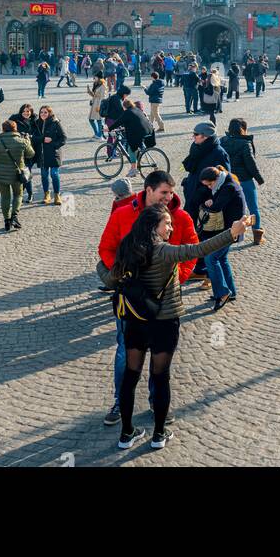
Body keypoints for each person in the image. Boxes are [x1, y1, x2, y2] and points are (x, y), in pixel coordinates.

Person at [102, 204, 251, 449]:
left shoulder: (129, 247)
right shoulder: (163, 252)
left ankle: (126, 434)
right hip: (164, 322)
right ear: (153, 226)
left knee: (131, 376)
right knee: (160, 377)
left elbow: (108, 278)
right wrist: (232, 232)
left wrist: (101, 267)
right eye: (167, 224)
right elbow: (200, 249)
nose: (171, 228)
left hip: (135, 321)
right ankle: (159, 435)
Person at [97, 169, 198, 428]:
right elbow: (106, 248)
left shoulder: (181, 218)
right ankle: (121, 400)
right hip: (131, 302)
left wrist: (179, 278)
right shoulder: (122, 214)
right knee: (124, 353)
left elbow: (192, 250)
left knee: (159, 362)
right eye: (164, 192)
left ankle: (157, 403)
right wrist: (121, 276)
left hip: (163, 304)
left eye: (171, 193)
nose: (169, 197)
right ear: (148, 190)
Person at [195, 167, 247, 309]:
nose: (209, 187)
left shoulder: (228, 187)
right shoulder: (224, 183)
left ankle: (223, 293)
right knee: (221, 259)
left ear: (216, 179)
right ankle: (230, 292)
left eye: (209, 184)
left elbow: (217, 207)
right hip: (230, 229)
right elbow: (217, 202)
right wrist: (212, 200)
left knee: (211, 258)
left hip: (230, 231)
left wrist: (209, 203)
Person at [222, 116, 265, 245]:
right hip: (245, 180)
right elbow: (250, 163)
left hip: (228, 180)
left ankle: (228, 235)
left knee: (228, 206)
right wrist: (259, 178)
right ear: (244, 129)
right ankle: (257, 234)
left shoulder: (222, 141)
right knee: (253, 207)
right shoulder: (245, 144)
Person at [0, 118, 35, 231]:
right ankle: (14, 216)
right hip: (16, 174)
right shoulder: (22, 141)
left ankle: (7, 221)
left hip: (0, 174)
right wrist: (28, 141)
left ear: (3, 129)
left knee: (5, 197)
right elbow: (31, 154)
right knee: (18, 195)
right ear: (15, 129)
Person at [108, 95, 152, 176]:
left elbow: (119, 122)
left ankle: (133, 169)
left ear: (124, 107)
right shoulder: (136, 109)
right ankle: (138, 161)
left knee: (130, 148)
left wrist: (109, 129)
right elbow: (133, 122)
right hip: (149, 130)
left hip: (140, 132)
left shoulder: (128, 112)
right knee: (136, 147)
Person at [35, 104, 67, 205]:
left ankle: (57, 195)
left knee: (54, 174)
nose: (43, 114)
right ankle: (46, 195)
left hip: (54, 153)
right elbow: (33, 137)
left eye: (45, 112)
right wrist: (43, 139)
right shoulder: (37, 123)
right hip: (42, 154)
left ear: (49, 113)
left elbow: (63, 138)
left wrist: (52, 143)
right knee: (44, 175)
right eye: (41, 112)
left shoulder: (55, 123)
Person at [10, 103, 40, 202]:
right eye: (24, 111)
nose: (26, 113)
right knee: (22, 173)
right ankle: (22, 194)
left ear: (31, 112)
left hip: (30, 150)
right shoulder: (15, 119)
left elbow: (39, 134)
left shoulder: (35, 121)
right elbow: (8, 129)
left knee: (26, 172)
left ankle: (29, 194)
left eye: (28, 111)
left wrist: (31, 136)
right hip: (19, 150)